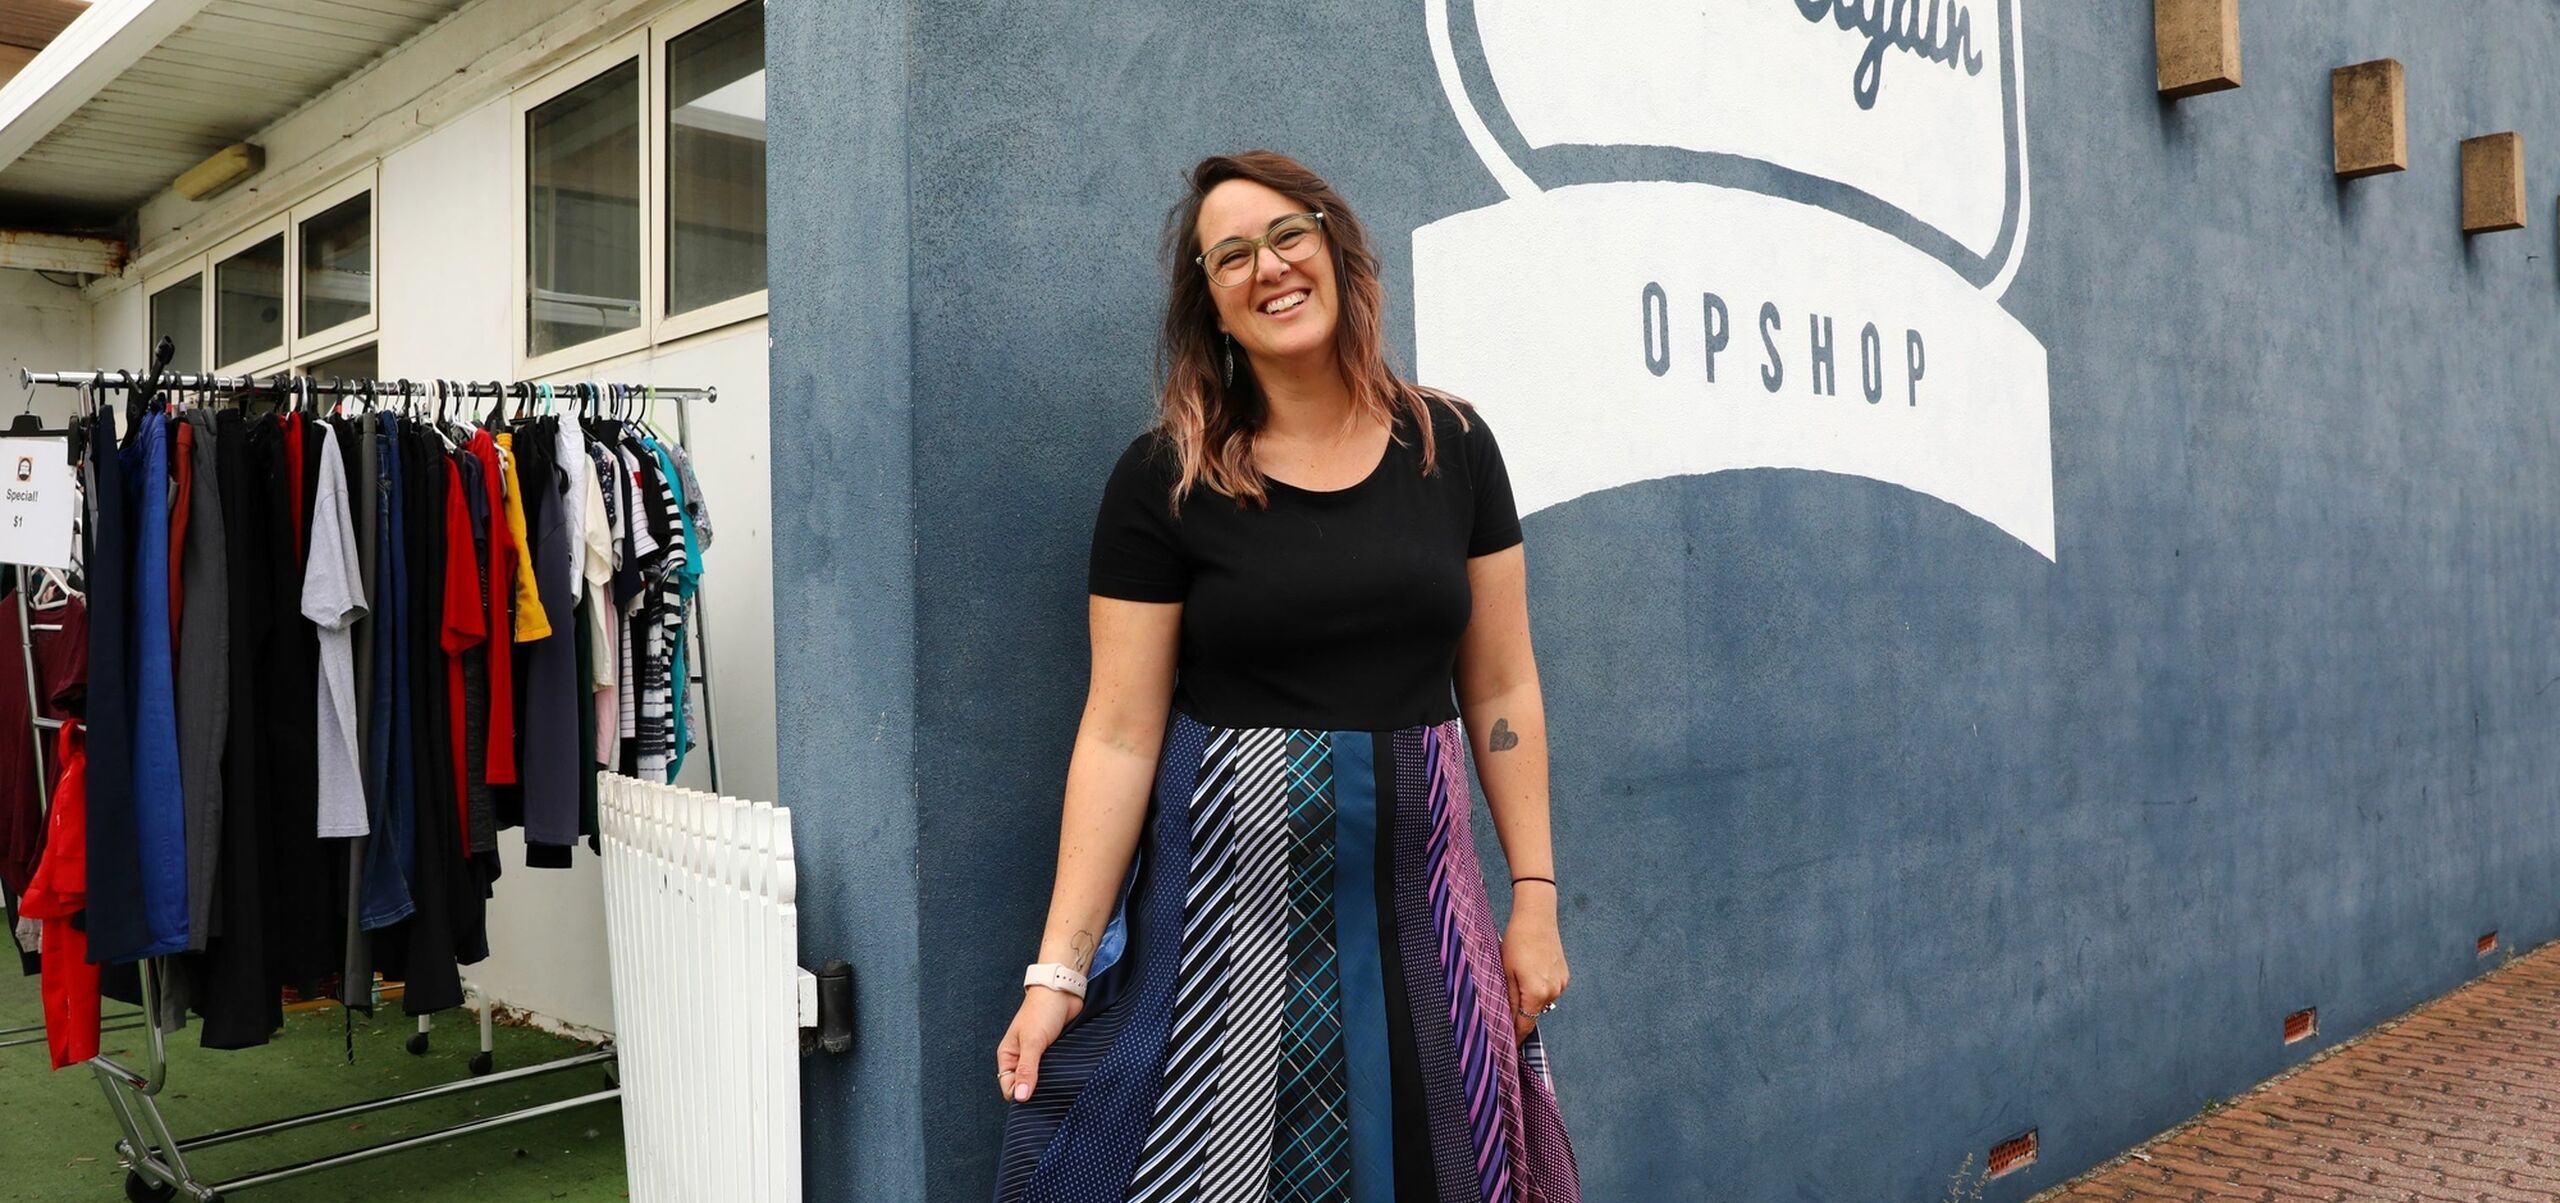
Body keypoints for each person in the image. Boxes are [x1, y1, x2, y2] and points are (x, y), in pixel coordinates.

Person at [990, 150, 1581, 1202]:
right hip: (1224, 928)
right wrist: (1058, 972)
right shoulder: (1163, 477)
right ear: (1212, 307)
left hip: (1421, 917)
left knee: (1437, 1159)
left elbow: (1500, 689)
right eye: (1229, 258)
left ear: (1338, 251)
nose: (1267, 268)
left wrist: (1532, 900)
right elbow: (1119, 733)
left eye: (1286, 236)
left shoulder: (1454, 447)